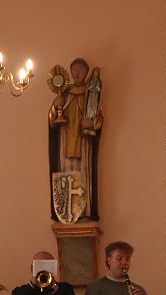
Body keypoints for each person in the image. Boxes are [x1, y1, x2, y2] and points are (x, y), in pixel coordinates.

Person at [48, 58, 103, 221]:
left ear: (86, 73)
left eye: (80, 70)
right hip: (65, 142)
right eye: (74, 70)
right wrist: (54, 107)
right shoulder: (64, 93)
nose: (77, 73)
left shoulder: (91, 93)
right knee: (65, 172)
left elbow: (99, 117)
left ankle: (84, 212)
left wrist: (92, 123)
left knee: (83, 172)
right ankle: (66, 212)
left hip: (83, 142)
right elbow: (52, 120)